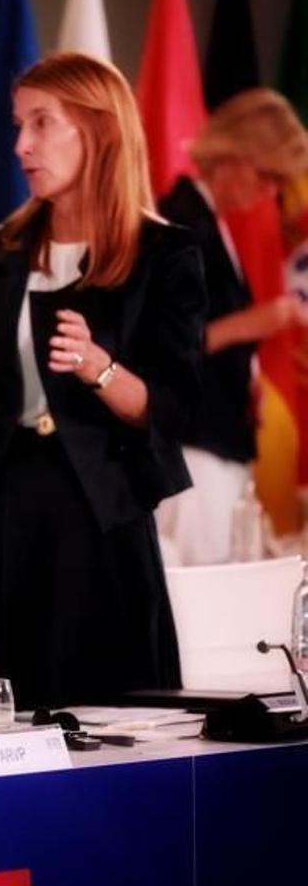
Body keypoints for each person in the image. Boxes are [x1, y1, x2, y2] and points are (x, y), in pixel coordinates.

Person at [0, 52, 204, 710]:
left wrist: (100, 369)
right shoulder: (0, 249)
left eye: (41, 123)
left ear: (98, 131)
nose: (21, 145)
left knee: (103, 719)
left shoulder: (165, 255)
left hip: (99, 515)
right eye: (18, 125)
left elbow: (172, 409)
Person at [153, 89, 308, 565]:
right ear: (233, 152)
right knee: (204, 600)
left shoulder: (211, 224)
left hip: (217, 440)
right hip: (195, 449)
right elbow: (165, 346)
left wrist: (247, 378)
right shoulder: (181, 223)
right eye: (266, 176)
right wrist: (256, 323)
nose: (269, 193)